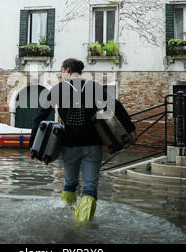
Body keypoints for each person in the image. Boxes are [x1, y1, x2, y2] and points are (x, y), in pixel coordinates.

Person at [29, 58, 136, 222]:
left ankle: (66, 213)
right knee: (89, 187)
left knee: (70, 183)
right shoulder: (94, 87)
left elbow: (39, 118)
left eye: (61, 71)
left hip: (69, 145)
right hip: (93, 145)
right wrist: (130, 129)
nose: (60, 75)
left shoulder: (58, 89)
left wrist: (33, 145)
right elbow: (116, 105)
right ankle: (82, 224)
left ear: (68, 70)